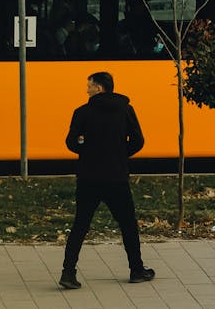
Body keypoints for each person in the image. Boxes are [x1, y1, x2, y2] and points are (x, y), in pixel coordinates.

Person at [60, 71, 154, 290]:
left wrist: (85, 149)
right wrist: (120, 153)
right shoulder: (125, 110)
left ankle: (68, 272)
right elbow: (138, 140)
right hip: (116, 176)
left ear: (99, 88)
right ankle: (136, 269)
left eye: (89, 86)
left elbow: (71, 142)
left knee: (80, 225)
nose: (87, 90)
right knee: (128, 224)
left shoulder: (82, 112)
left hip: (88, 177)